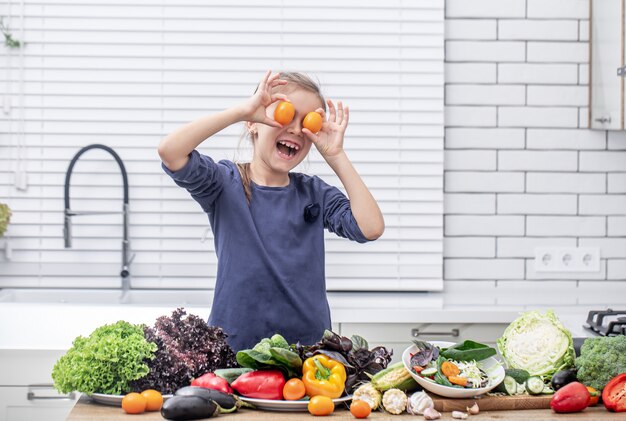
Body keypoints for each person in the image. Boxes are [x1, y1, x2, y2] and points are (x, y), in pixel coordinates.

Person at [158, 70, 384, 351]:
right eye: (286, 115)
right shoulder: (224, 183)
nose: (297, 129)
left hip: (306, 354)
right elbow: (170, 151)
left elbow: (371, 227)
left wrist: (336, 155)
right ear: (254, 124)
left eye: (308, 122)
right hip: (234, 351)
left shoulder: (314, 193)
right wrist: (243, 111)